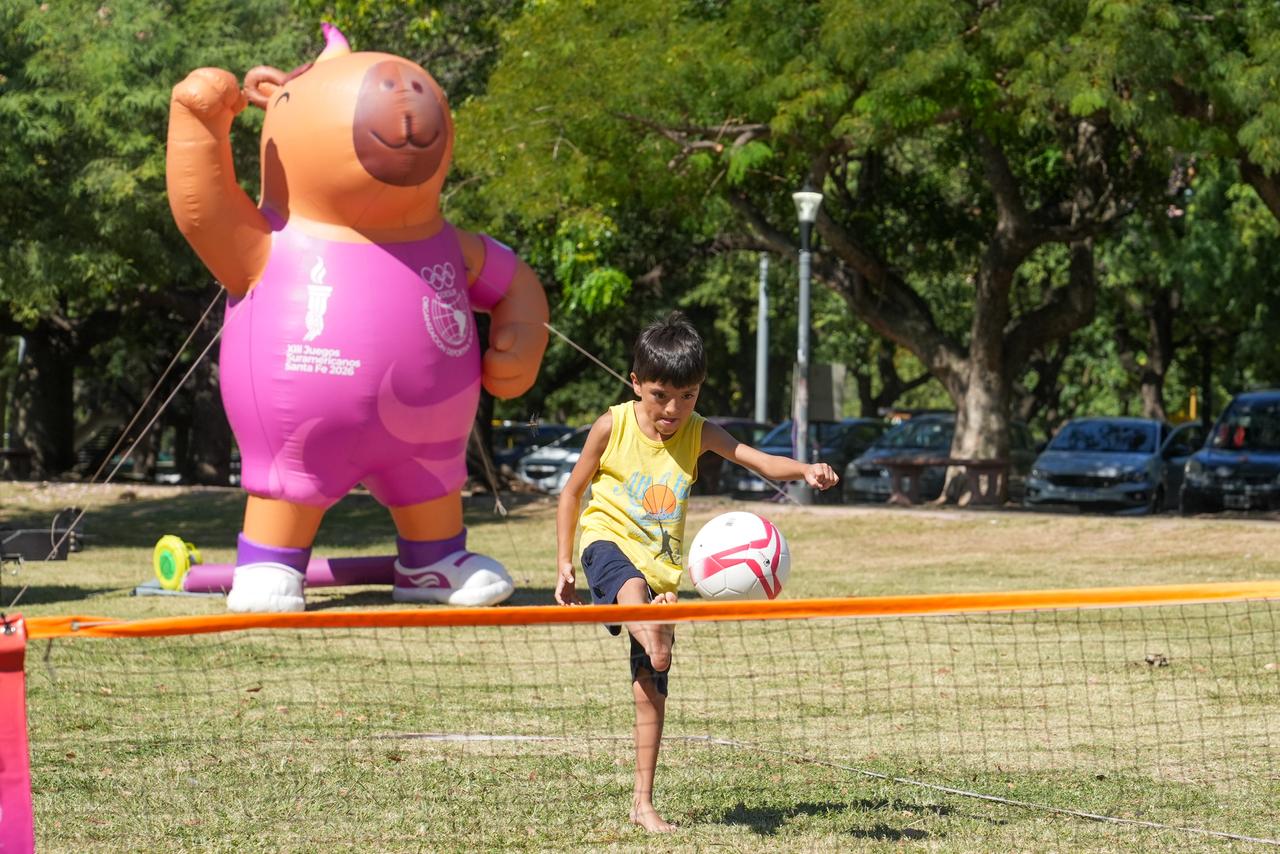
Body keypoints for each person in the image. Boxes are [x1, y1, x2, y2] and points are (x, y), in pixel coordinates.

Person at [554, 311, 839, 833]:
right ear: (636, 383)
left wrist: (804, 469)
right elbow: (572, 492)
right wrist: (564, 562)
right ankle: (654, 635)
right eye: (661, 395)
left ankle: (643, 803)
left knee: (650, 692)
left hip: (663, 575)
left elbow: (756, 459)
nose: (673, 409)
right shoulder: (612, 425)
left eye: (687, 396)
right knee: (634, 593)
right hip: (607, 543)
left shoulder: (699, 431)